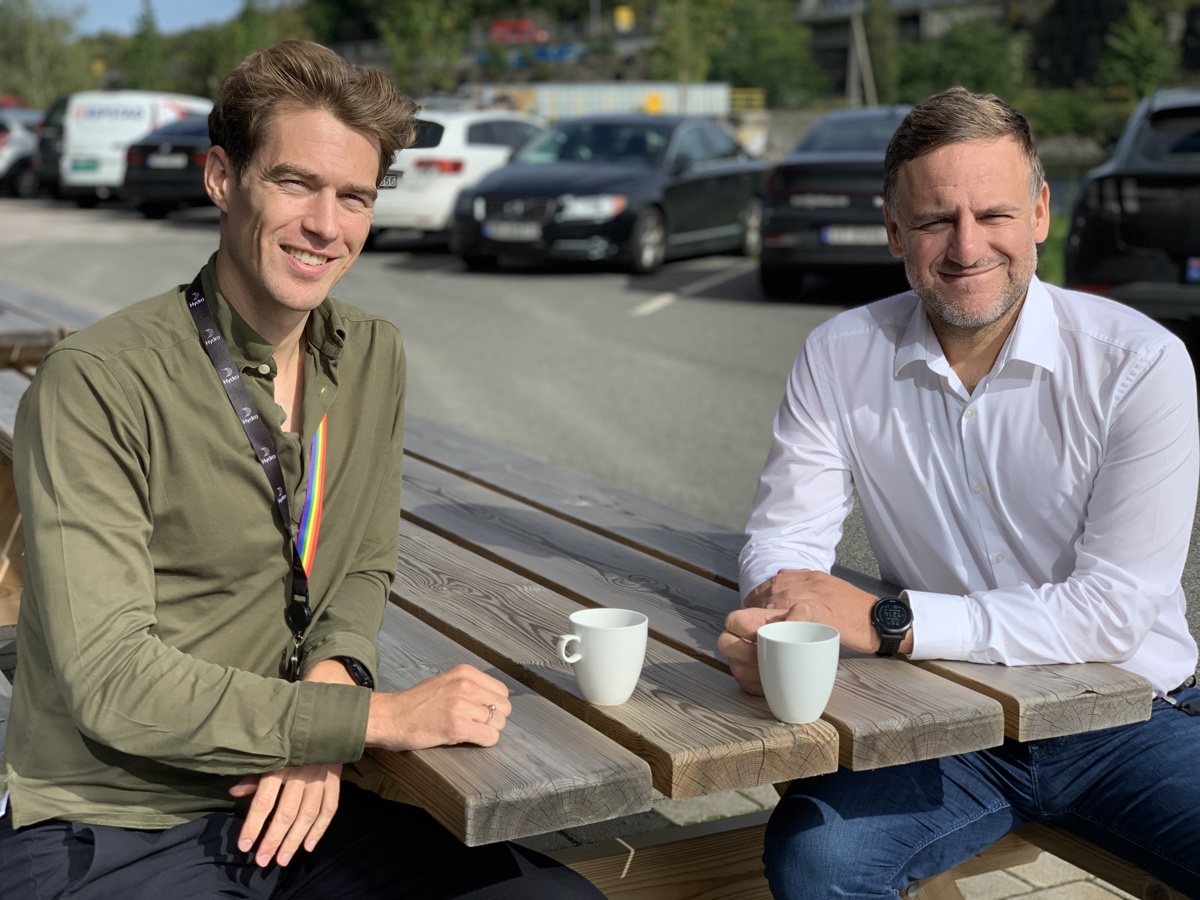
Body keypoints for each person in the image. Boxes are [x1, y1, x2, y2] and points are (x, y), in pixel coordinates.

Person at [0, 40, 602, 900]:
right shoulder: (96, 383)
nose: (327, 224)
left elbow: (360, 561)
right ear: (220, 177)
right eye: (295, 183)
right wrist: (371, 718)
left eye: (353, 196)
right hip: (116, 818)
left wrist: (329, 691)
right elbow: (111, 680)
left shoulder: (373, 356)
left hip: (299, 797)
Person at [718, 86, 1200, 899]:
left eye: (995, 214)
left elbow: (1113, 609)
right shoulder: (838, 355)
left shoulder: (1141, 363)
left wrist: (886, 622)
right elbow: (784, 541)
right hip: (937, 720)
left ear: (1042, 212)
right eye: (937, 220)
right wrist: (780, 620)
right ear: (895, 231)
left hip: (1127, 715)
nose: (967, 246)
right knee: (817, 864)